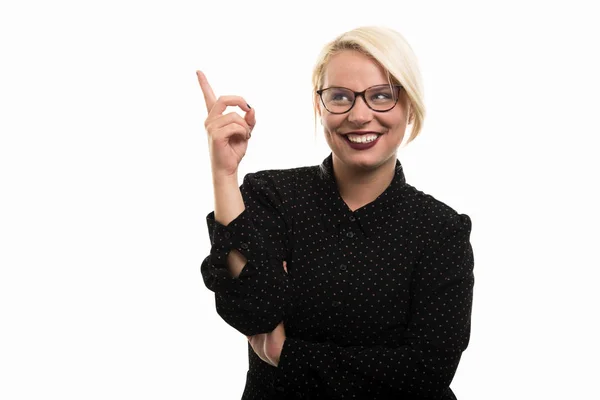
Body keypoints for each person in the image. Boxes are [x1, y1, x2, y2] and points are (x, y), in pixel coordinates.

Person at [199, 25, 474, 400]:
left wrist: (287, 354)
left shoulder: (441, 230)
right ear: (320, 106)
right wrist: (224, 176)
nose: (360, 116)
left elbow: (427, 372)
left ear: (410, 107)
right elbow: (253, 309)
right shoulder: (272, 197)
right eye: (341, 97)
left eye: (381, 96)